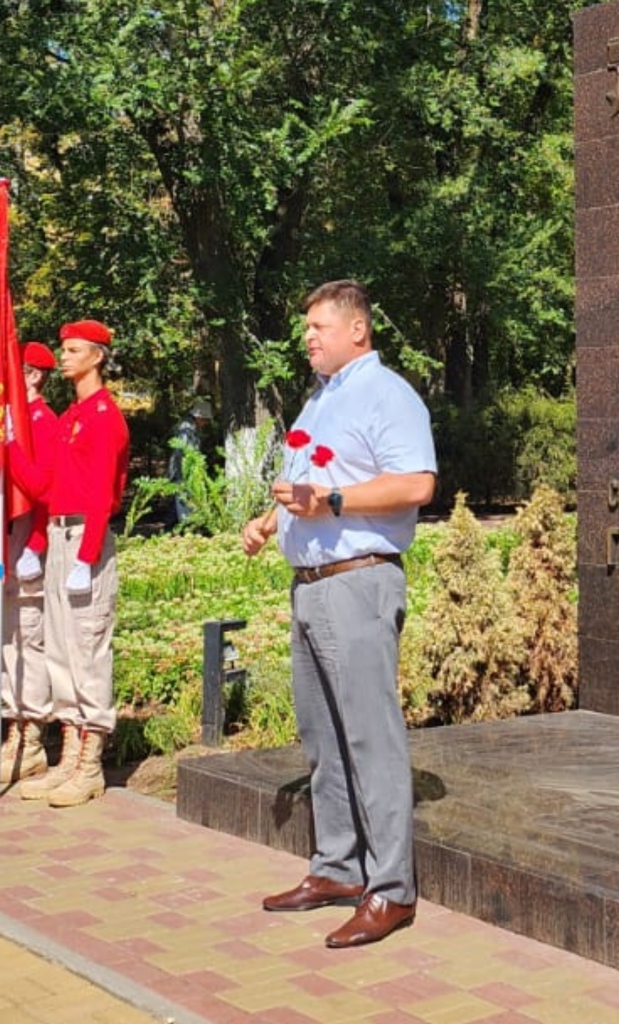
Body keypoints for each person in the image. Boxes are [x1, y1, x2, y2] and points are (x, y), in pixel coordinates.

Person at [241, 279, 436, 949]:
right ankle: (337, 869)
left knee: (370, 742)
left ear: (357, 330)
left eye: (319, 328)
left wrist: (332, 503)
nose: (308, 339)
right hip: (310, 585)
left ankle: (390, 891)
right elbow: (309, 478)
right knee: (323, 739)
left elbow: (416, 483)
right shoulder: (320, 402)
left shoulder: (389, 395)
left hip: (359, 582)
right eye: (307, 330)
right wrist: (269, 521)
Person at [7, 319, 129, 808]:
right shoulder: (72, 417)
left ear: (97, 356)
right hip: (59, 533)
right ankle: (68, 760)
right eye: (64, 349)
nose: (65, 357)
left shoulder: (104, 416)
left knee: (86, 648)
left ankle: (90, 765)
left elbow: (101, 491)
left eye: (74, 350)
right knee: (60, 649)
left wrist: (88, 553)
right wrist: (12, 443)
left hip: (84, 537)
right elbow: (40, 486)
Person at [0, 341, 60, 785]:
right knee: (6, 639)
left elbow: (45, 490)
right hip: (6, 541)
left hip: (26, 541)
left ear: (34, 376)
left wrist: (36, 546)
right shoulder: (11, 422)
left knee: (29, 641)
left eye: (13, 372)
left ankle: (32, 741)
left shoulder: (41, 421)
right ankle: (11, 736)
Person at [168, 397, 212, 526]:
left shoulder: (193, 429)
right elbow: (180, 453)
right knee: (181, 500)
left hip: (188, 471)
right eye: (205, 420)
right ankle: (179, 527)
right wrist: (183, 473)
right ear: (199, 417)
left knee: (179, 502)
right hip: (181, 472)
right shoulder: (186, 429)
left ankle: (174, 528)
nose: (206, 423)